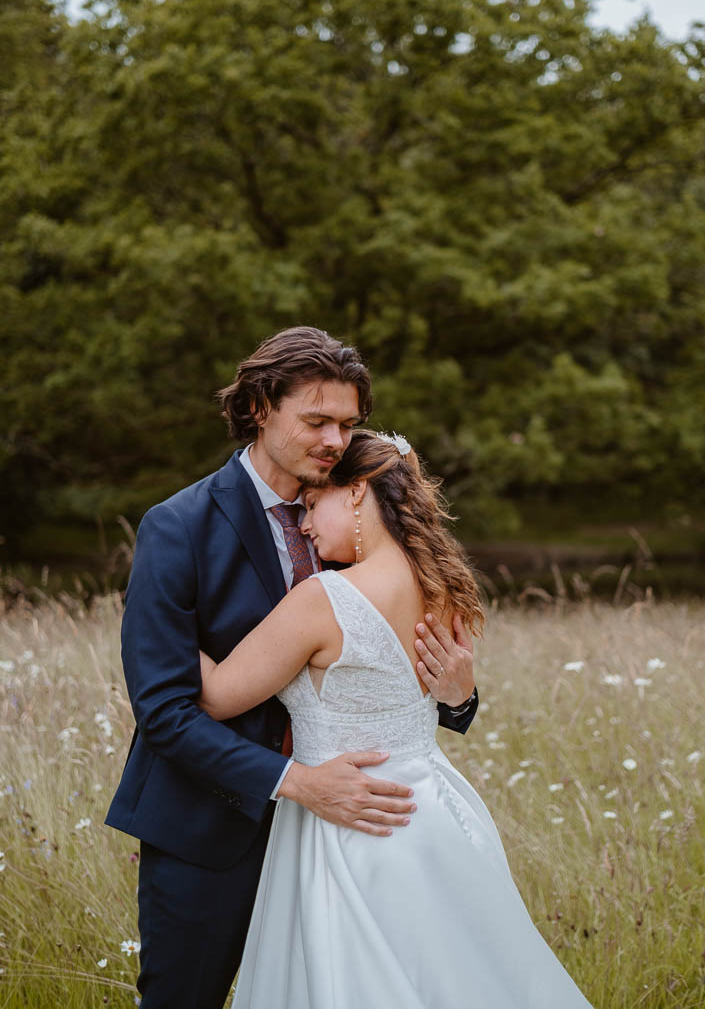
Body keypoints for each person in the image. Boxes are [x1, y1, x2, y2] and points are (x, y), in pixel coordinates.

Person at [106, 326, 480, 1009]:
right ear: (259, 407)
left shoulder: (351, 517)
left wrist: (459, 698)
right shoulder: (178, 527)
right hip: (209, 832)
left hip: (342, 841)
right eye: (317, 420)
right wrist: (298, 782)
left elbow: (388, 666)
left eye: (347, 423)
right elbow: (163, 711)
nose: (335, 439)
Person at [196, 429, 591, 1007]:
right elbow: (444, 698)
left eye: (311, 505)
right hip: (435, 816)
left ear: (356, 492)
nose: (304, 524)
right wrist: (463, 698)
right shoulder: (442, 588)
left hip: (352, 827)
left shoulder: (324, 599)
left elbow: (217, 697)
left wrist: (158, 620)